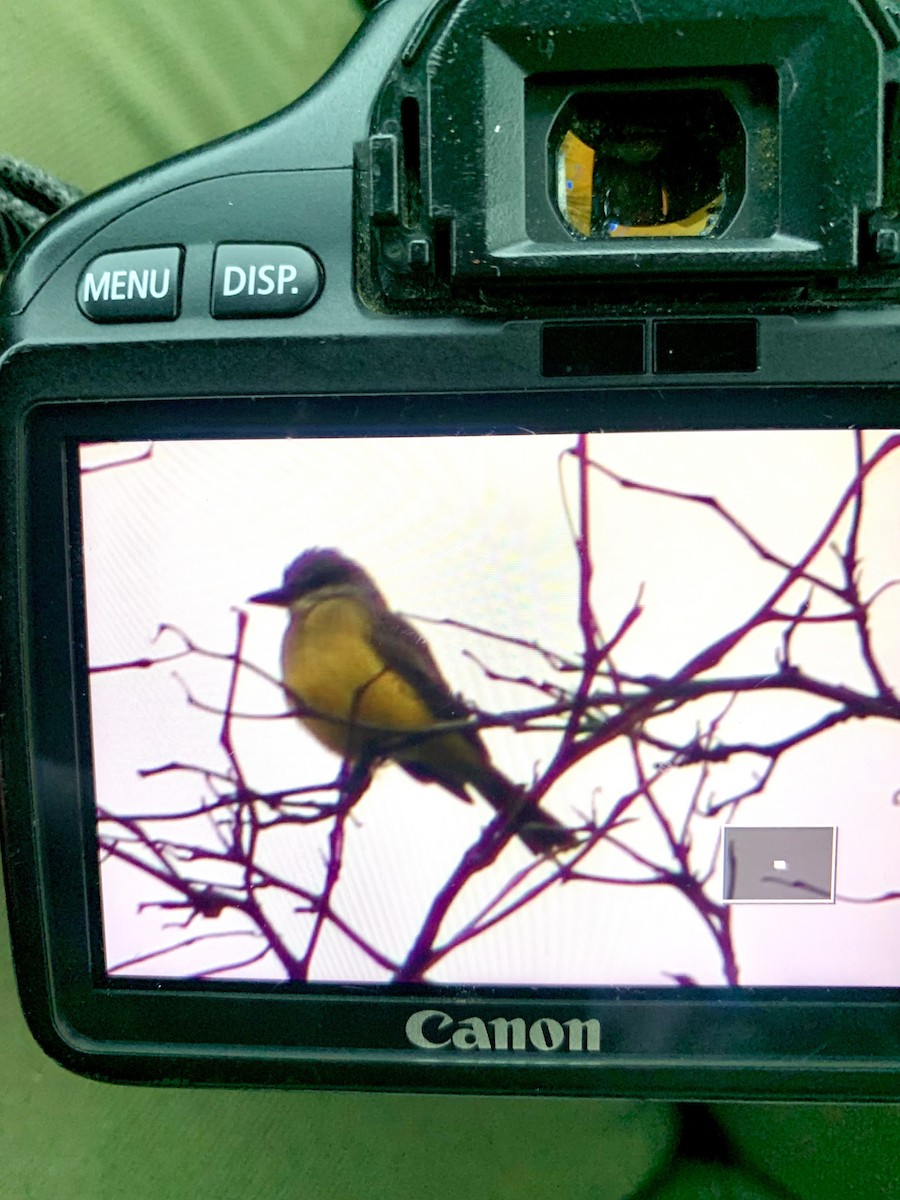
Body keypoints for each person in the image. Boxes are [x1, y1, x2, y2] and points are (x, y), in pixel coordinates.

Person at [1, 3, 896, 1197]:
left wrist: (427, 743)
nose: (293, 604)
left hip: (439, 739)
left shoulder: (358, 624)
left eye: (306, 590)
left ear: (339, 591)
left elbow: (412, 693)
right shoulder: (316, 631)